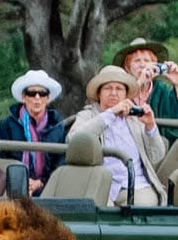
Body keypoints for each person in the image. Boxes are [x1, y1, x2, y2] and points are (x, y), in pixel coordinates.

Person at [68, 66, 168, 206]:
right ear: (99, 93)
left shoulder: (135, 120)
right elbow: (73, 141)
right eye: (108, 88)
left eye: (119, 89)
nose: (114, 93)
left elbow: (156, 156)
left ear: (126, 94)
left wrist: (150, 126)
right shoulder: (88, 115)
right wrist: (110, 113)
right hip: (99, 184)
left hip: (136, 185)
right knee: (98, 209)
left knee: (143, 207)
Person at [110, 37, 178, 140]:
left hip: (159, 143)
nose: (142, 65)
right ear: (127, 67)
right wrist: (140, 82)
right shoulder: (120, 88)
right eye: (137, 61)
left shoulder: (162, 89)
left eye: (146, 60)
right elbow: (112, 111)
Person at [0, 69, 67, 195]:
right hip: (12, 187)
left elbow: (61, 164)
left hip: (49, 188)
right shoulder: (7, 125)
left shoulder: (58, 127)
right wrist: (21, 181)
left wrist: (41, 182)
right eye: (31, 93)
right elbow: (0, 160)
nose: (37, 98)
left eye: (42, 93)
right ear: (24, 97)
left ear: (48, 98)